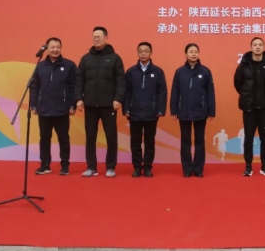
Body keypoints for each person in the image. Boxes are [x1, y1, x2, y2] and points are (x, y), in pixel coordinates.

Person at [75, 26, 126, 178]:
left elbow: (120, 81)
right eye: (94, 37)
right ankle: (91, 167)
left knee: (111, 137)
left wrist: (118, 98)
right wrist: (78, 98)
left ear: (106, 37)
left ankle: (111, 167)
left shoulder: (115, 58)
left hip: (108, 104)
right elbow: (79, 80)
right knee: (90, 137)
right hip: (90, 104)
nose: (96, 39)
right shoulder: (86, 58)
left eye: (99, 36)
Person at [233, 37, 265, 176]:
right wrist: (246, 96)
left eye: (260, 45)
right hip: (250, 108)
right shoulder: (244, 65)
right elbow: (238, 83)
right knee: (248, 138)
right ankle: (248, 166)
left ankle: (264, 166)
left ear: (264, 47)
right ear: (251, 47)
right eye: (255, 45)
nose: (258, 47)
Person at [29, 37, 77, 176]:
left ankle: (65, 166)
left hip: (62, 109)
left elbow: (74, 87)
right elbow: (34, 86)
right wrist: (33, 104)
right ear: (47, 49)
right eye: (52, 47)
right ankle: (45, 165)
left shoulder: (69, 66)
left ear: (61, 48)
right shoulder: (40, 66)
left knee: (63, 139)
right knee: (44, 139)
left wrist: (72, 104)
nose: (55, 50)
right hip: (44, 109)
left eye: (58, 47)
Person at [170, 43, 216, 178]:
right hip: (183, 111)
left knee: (199, 141)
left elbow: (210, 92)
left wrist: (211, 110)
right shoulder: (180, 72)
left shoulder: (205, 71)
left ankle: (198, 169)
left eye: (196, 51)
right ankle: (187, 169)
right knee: (185, 141)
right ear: (186, 54)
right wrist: (173, 109)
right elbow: (175, 92)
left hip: (200, 111)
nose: (193, 54)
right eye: (191, 52)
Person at [123, 42, 167, 178]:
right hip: (134, 112)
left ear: (151, 53)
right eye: (140, 51)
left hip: (151, 113)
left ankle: (148, 167)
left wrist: (160, 110)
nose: (143, 53)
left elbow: (162, 92)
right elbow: (126, 92)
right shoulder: (131, 71)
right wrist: (126, 108)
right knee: (135, 142)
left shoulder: (158, 71)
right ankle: (137, 167)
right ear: (137, 53)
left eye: (146, 51)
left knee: (149, 142)